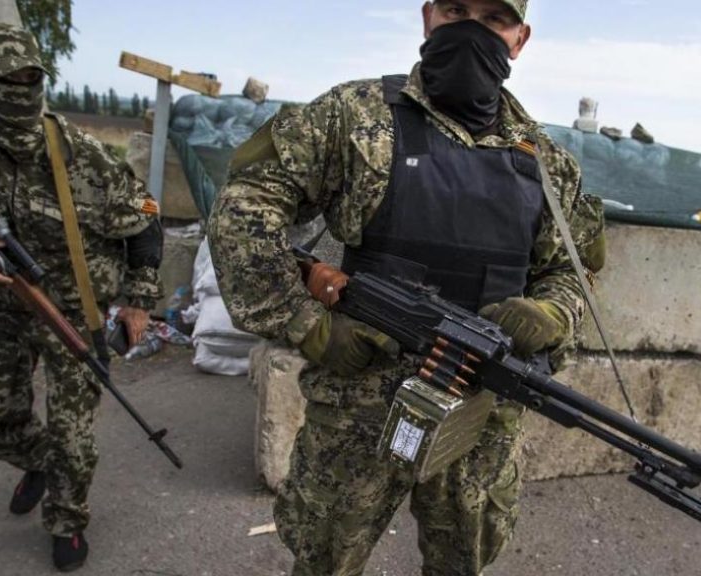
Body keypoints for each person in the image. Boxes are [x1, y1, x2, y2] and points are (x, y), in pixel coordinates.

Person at [209, 0, 605, 574]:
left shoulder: (547, 163)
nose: (472, 30)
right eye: (455, 10)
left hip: (480, 408)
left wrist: (553, 311)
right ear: (427, 17)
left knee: (461, 561)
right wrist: (306, 324)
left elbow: (574, 269)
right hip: (360, 404)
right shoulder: (354, 115)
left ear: (520, 38)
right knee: (325, 559)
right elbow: (245, 205)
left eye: (493, 19)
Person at [0, 23, 163, 572]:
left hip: (75, 312)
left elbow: (147, 215)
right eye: (9, 80)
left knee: (74, 434)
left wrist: (140, 299)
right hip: (0, 310)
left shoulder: (85, 155)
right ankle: (42, 462)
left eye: (32, 78)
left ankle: (67, 519)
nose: (23, 90)